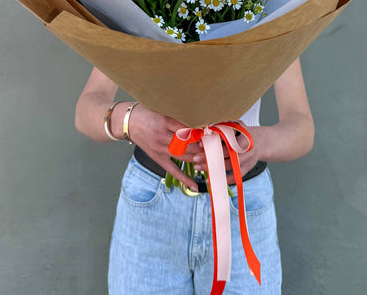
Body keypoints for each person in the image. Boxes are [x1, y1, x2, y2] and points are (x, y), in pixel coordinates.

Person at [75, 57, 314, 294]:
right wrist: (129, 120)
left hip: (242, 205)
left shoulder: (268, 18)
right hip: (151, 207)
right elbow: (86, 110)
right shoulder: (142, 16)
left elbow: (302, 128)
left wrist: (259, 143)